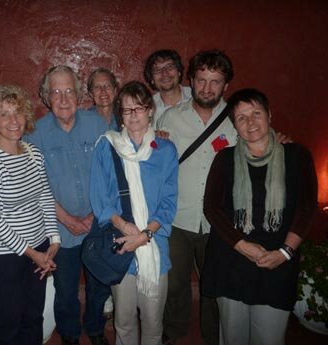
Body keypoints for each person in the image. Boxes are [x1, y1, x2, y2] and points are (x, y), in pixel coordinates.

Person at [201, 88, 317, 345]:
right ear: (235, 126)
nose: (250, 122)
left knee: (269, 338)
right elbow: (212, 208)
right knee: (233, 338)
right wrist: (244, 246)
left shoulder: (297, 156)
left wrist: (285, 252)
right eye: (241, 118)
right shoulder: (225, 158)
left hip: (277, 264)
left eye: (256, 113)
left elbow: (306, 208)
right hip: (231, 261)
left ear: (269, 115)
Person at [25, 65, 111, 345]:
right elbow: (36, 184)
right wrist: (65, 218)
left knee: (99, 284)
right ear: (46, 97)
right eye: (56, 92)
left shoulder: (98, 124)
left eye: (69, 91)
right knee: (66, 288)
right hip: (60, 230)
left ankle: (96, 328)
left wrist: (94, 213)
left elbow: (110, 171)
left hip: (97, 223)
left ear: (79, 95)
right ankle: (70, 335)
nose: (63, 98)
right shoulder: (34, 134)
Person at [90, 81, 178, 345]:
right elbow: (100, 197)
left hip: (155, 247)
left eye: (139, 108)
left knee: (153, 324)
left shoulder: (166, 150)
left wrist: (145, 234)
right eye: (127, 110)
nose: (133, 115)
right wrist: (125, 227)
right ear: (120, 115)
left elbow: (169, 202)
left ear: (150, 110)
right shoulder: (107, 146)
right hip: (122, 246)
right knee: (124, 322)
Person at [157, 49, 236, 345]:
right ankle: (174, 330)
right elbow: (155, 162)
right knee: (176, 282)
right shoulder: (170, 117)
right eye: (201, 80)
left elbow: (260, 141)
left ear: (225, 85)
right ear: (191, 80)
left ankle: (213, 335)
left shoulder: (235, 118)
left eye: (215, 81)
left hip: (219, 220)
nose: (207, 88)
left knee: (213, 284)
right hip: (176, 216)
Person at [0, 85, 60, 345]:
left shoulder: (33, 153)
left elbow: (44, 196)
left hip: (39, 249)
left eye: (18, 112)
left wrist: (54, 240)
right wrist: (35, 254)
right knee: (8, 323)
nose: (13, 120)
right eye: (4, 114)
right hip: (5, 259)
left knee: (33, 317)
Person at [143, 49, 191, 126]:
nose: (164, 73)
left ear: (179, 71)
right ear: (152, 79)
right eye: (158, 70)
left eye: (169, 67)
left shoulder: (195, 97)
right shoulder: (147, 109)